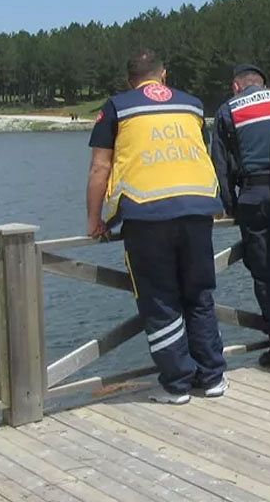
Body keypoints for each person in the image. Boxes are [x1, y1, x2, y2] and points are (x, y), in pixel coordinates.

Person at [85, 49, 226, 404]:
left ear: (129, 79)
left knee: (160, 300)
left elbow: (100, 167)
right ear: (164, 74)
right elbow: (201, 152)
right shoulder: (192, 105)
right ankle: (212, 377)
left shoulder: (118, 107)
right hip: (197, 209)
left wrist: (95, 220)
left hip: (146, 214)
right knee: (199, 295)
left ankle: (177, 384)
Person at [209, 63, 270, 371]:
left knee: (266, 274)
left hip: (255, 196)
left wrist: (230, 204)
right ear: (263, 83)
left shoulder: (228, 110)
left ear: (236, 86)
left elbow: (220, 164)